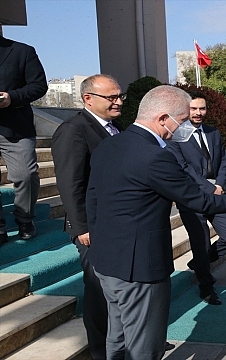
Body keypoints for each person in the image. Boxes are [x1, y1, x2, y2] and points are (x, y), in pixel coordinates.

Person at [85, 85, 226, 360]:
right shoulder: (155, 156)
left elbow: (92, 199)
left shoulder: (110, 144)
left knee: (118, 335)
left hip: (106, 259)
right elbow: (199, 201)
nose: (184, 127)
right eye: (183, 120)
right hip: (139, 267)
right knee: (143, 345)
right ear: (163, 118)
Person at [51, 74, 124, 360]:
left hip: (115, 223)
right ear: (88, 99)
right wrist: (82, 226)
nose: (118, 102)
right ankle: (99, 351)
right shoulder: (74, 130)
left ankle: (124, 341)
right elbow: (70, 184)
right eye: (112, 97)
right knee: (97, 291)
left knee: (116, 289)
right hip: (91, 228)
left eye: (120, 96)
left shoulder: (114, 129)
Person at [166, 91, 226, 306]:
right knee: (201, 243)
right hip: (192, 196)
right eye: (193, 109)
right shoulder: (176, 135)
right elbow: (183, 167)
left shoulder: (213, 132)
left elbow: (225, 160)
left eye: (202, 108)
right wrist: (207, 187)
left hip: (217, 193)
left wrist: (218, 185)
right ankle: (207, 288)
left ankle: (199, 264)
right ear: (185, 110)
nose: (198, 113)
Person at [0, 23, 48, 244]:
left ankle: (25, 219)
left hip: (16, 126)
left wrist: (11, 98)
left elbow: (39, 86)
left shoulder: (22, 51)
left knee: (26, 175)